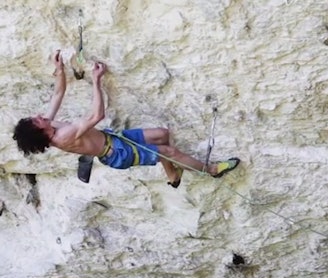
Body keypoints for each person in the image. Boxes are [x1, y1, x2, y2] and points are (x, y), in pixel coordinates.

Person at [13, 50, 240, 188]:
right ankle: (210, 170)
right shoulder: (62, 136)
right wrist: (96, 80)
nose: (39, 116)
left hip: (114, 139)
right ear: (40, 131)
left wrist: (59, 68)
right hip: (117, 153)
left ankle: (173, 173)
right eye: (36, 120)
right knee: (167, 151)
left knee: (162, 134)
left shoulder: (49, 126)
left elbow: (57, 94)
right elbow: (97, 115)